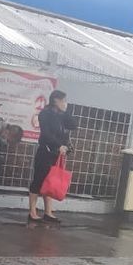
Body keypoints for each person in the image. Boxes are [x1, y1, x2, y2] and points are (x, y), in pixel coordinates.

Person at [29, 89, 76, 223]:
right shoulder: (45, 114)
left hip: (57, 153)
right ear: (56, 100)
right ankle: (32, 212)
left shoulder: (61, 115)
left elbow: (73, 125)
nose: (66, 103)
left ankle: (48, 212)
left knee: (50, 181)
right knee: (38, 180)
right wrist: (57, 145)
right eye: (64, 101)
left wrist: (66, 112)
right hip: (46, 151)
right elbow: (46, 133)